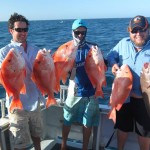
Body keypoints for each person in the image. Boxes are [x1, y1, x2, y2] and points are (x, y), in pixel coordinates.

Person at [0, 13, 46, 150]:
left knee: (37, 134)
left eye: (25, 29)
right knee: (20, 143)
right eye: (19, 29)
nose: (23, 33)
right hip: (17, 104)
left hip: (35, 100)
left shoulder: (35, 50)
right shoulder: (4, 52)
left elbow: (41, 73)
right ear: (11, 31)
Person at [107, 15, 150, 150]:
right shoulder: (123, 44)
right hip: (123, 99)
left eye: (142, 30)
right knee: (122, 129)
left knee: (144, 133)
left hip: (144, 100)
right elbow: (110, 56)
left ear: (148, 29)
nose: (138, 34)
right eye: (134, 31)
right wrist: (113, 64)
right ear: (129, 31)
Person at [60, 19, 104, 150]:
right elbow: (71, 77)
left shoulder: (93, 48)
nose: (80, 35)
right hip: (75, 90)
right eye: (77, 32)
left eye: (83, 32)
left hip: (92, 91)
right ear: (72, 32)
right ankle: (63, 145)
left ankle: (85, 148)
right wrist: (71, 68)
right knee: (67, 119)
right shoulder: (67, 49)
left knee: (88, 122)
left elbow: (102, 69)